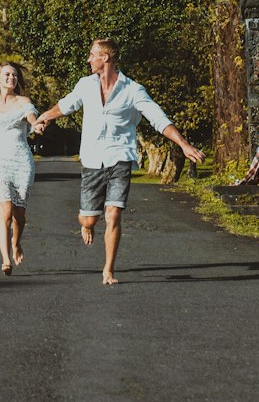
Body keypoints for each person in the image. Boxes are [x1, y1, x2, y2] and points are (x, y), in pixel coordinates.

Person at [32, 37, 204, 285]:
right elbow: (65, 105)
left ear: (106, 58)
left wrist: (184, 144)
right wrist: (45, 118)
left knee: (113, 214)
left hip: (120, 157)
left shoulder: (133, 90)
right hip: (92, 159)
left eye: (93, 55)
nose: (89, 59)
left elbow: (158, 118)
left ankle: (108, 271)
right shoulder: (85, 85)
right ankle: (88, 223)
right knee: (88, 218)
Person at [0, 61, 40, 274]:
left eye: (14, 75)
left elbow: (32, 119)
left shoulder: (24, 101)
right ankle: (6, 259)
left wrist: (37, 124)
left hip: (22, 161)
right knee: (5, 211)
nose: (11, 78)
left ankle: (16, 242)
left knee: (19, 214)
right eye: (7, 74)